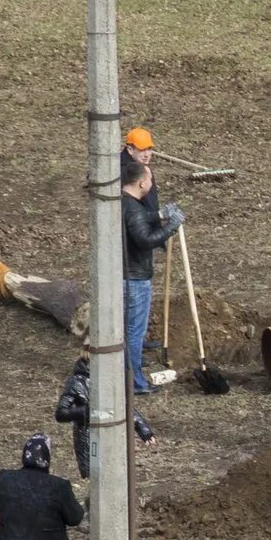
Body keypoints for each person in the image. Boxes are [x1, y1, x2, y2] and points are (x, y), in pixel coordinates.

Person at [121, 164, 185, 393]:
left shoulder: (122, 202)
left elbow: (136, 220)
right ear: (141, 183)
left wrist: (159, 215)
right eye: (150, 179)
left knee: (126, 332)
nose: (152, 183)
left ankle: (126, 378)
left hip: (122, 277)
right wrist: (171, 227)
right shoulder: (133, 208)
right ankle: (136, 383)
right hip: (135, 279)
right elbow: (145, 239)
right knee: (134, 333)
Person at [55, 350, 156, 480]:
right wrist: (87, 411)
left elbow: (122, 406)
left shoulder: (108, 378)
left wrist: (143, 429)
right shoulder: (77, 382)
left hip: (112, 434)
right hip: (90, 437)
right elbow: (61, 413)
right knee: (96, 476)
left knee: (115, 474)